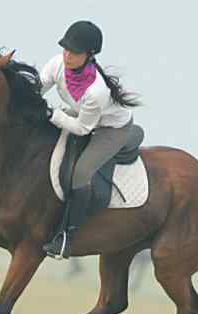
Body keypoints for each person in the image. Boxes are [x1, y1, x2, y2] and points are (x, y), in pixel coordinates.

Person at [39, 20, 141, 259]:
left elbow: (83, 128)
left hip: (110, 129)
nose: (67, 55)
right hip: (79, 114)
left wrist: (52, 114)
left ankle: (67, 236)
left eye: (74, 52)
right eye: (65, 49)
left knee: (81, 173)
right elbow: (38, 88)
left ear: (89, 55)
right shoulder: (57, 64)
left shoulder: (96, 91)